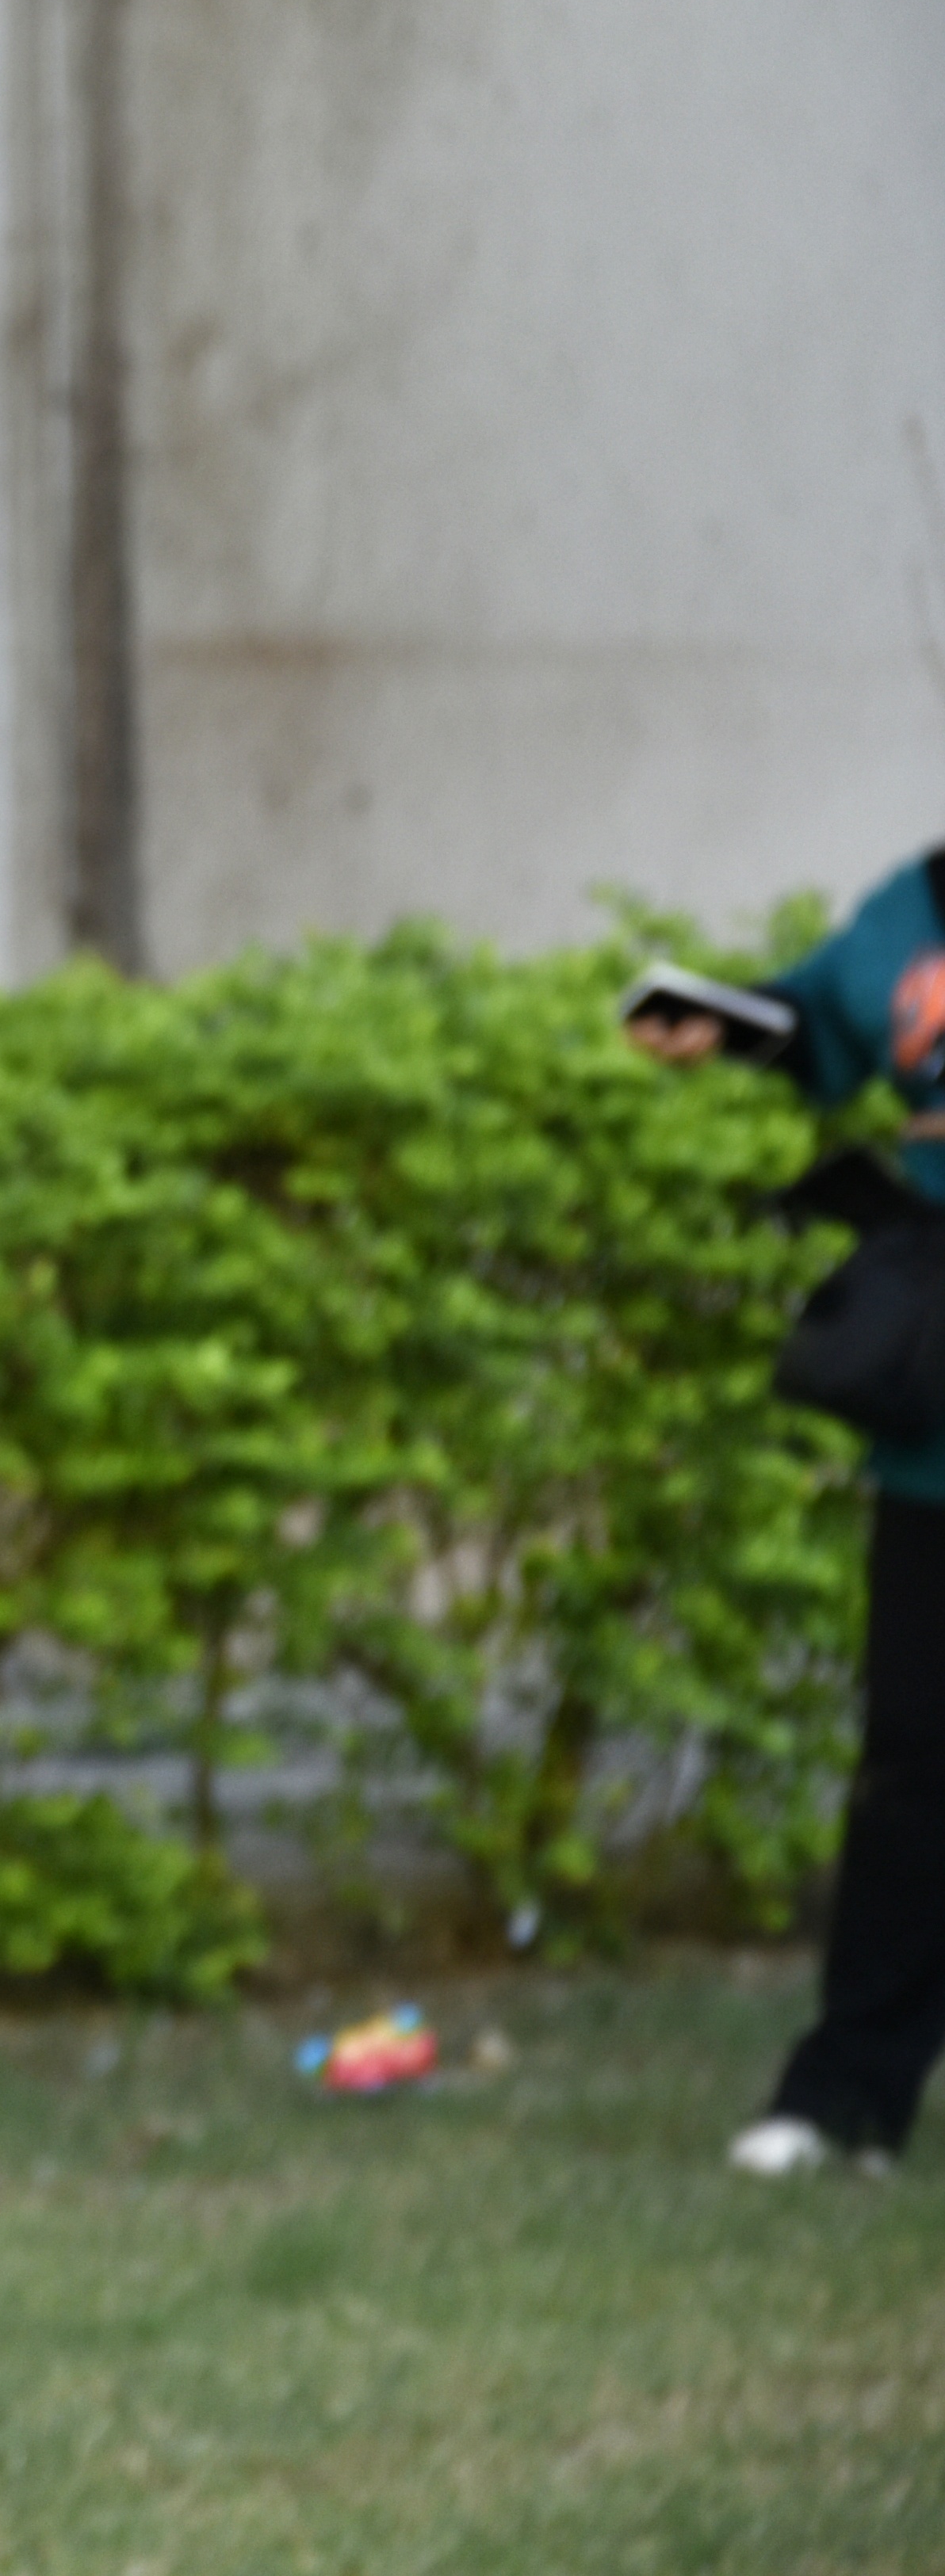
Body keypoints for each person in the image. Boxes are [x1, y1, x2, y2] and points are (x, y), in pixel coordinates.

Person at [636, 850, 945, 2177]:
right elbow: (818, 1021)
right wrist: (721, 1023)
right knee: (915, 1758)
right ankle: (850, 2097)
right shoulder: (914, 908)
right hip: (938, 1426)